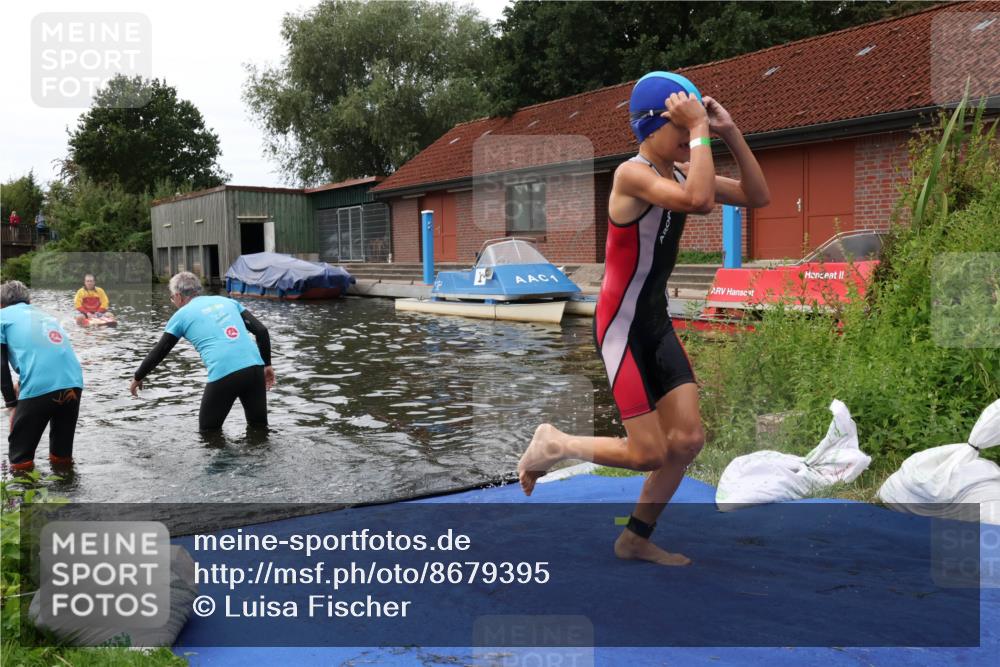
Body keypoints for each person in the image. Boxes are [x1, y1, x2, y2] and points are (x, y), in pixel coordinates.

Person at [517, 72, 769, 566]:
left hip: (655, 322)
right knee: (649, 452)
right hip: (620, 326)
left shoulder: (678, 173)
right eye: (679, 126)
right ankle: (554, 443)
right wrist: (699, 130)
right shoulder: (632, 175)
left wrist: (729, 131)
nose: (687, 136)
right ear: (653, 126)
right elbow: (699, 202)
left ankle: (634, 537)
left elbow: (758, 197)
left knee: (689, 440)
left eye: (689, 128)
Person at [130, 271, 275, 431]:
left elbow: (161, 350)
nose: (173, 302)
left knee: (208, 433)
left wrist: (138, 376)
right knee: (259, 429)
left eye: (172, 298)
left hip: (224, 371)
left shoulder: (181, 315)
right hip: (255, 368)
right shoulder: (227, 302)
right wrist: (267, 366)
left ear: (178, 296)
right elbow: (261, 331)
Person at [1, 280, 84, 472]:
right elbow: (48, 354)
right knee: (61, 456)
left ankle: (23, 498)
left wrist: (11, 403)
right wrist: (22, 382)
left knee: (19, 459)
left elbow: (1, 365)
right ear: (28, 301)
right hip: (73, 382)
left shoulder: (2, 316)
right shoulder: (43, 315)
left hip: (41, 386)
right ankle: (68, 492)